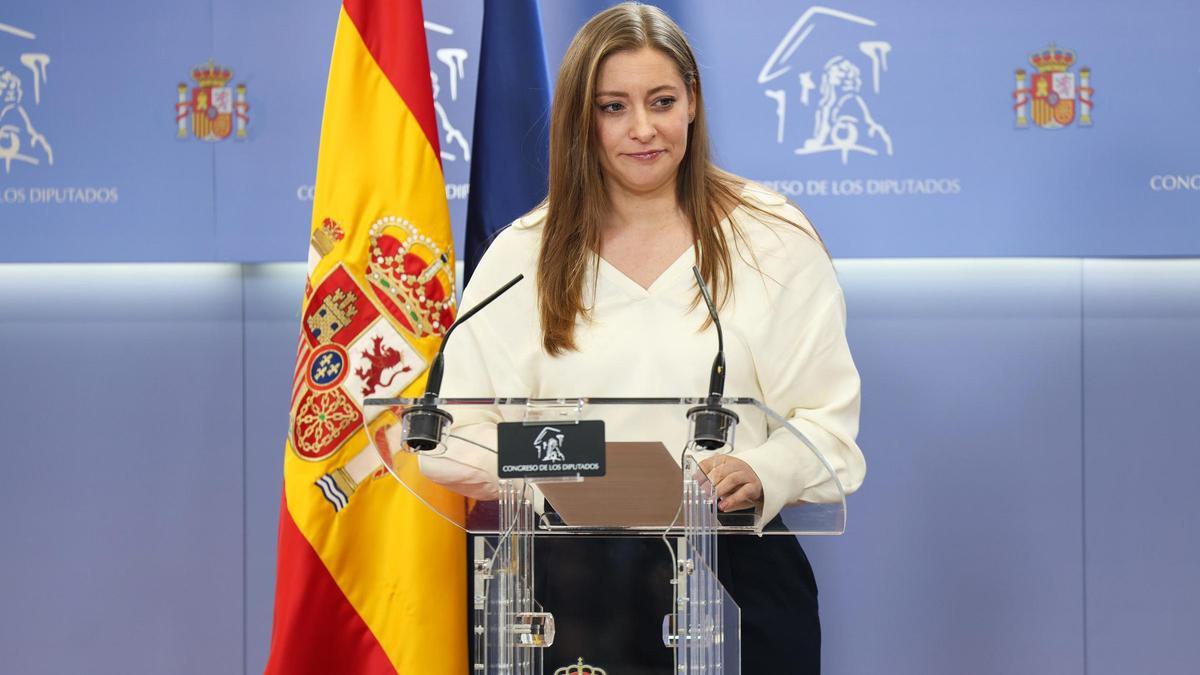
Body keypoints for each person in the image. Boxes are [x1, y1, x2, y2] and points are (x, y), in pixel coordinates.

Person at [421, 3, 865, 672]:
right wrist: (581, 464)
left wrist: (763, 470)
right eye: (613, 107)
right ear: (581, 118)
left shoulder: (771, 237)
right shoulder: (521, 255)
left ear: (692, 102)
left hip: (738, 576)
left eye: (662, 101)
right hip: (564, 591)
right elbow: (451, 433)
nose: (643, 129)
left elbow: (828, 430)